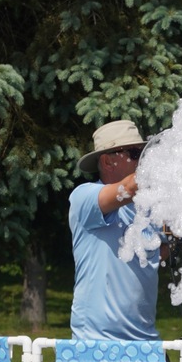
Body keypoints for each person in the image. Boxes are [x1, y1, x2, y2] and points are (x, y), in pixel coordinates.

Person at [69, 119, 166, 341]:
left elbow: (161, 250)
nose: (143, 159)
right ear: (108, 161)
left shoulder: (148, 206)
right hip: (95, 341)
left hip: (146, 340)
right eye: (134, 153)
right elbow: (130, 187)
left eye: (143, 152)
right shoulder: (85, 196)